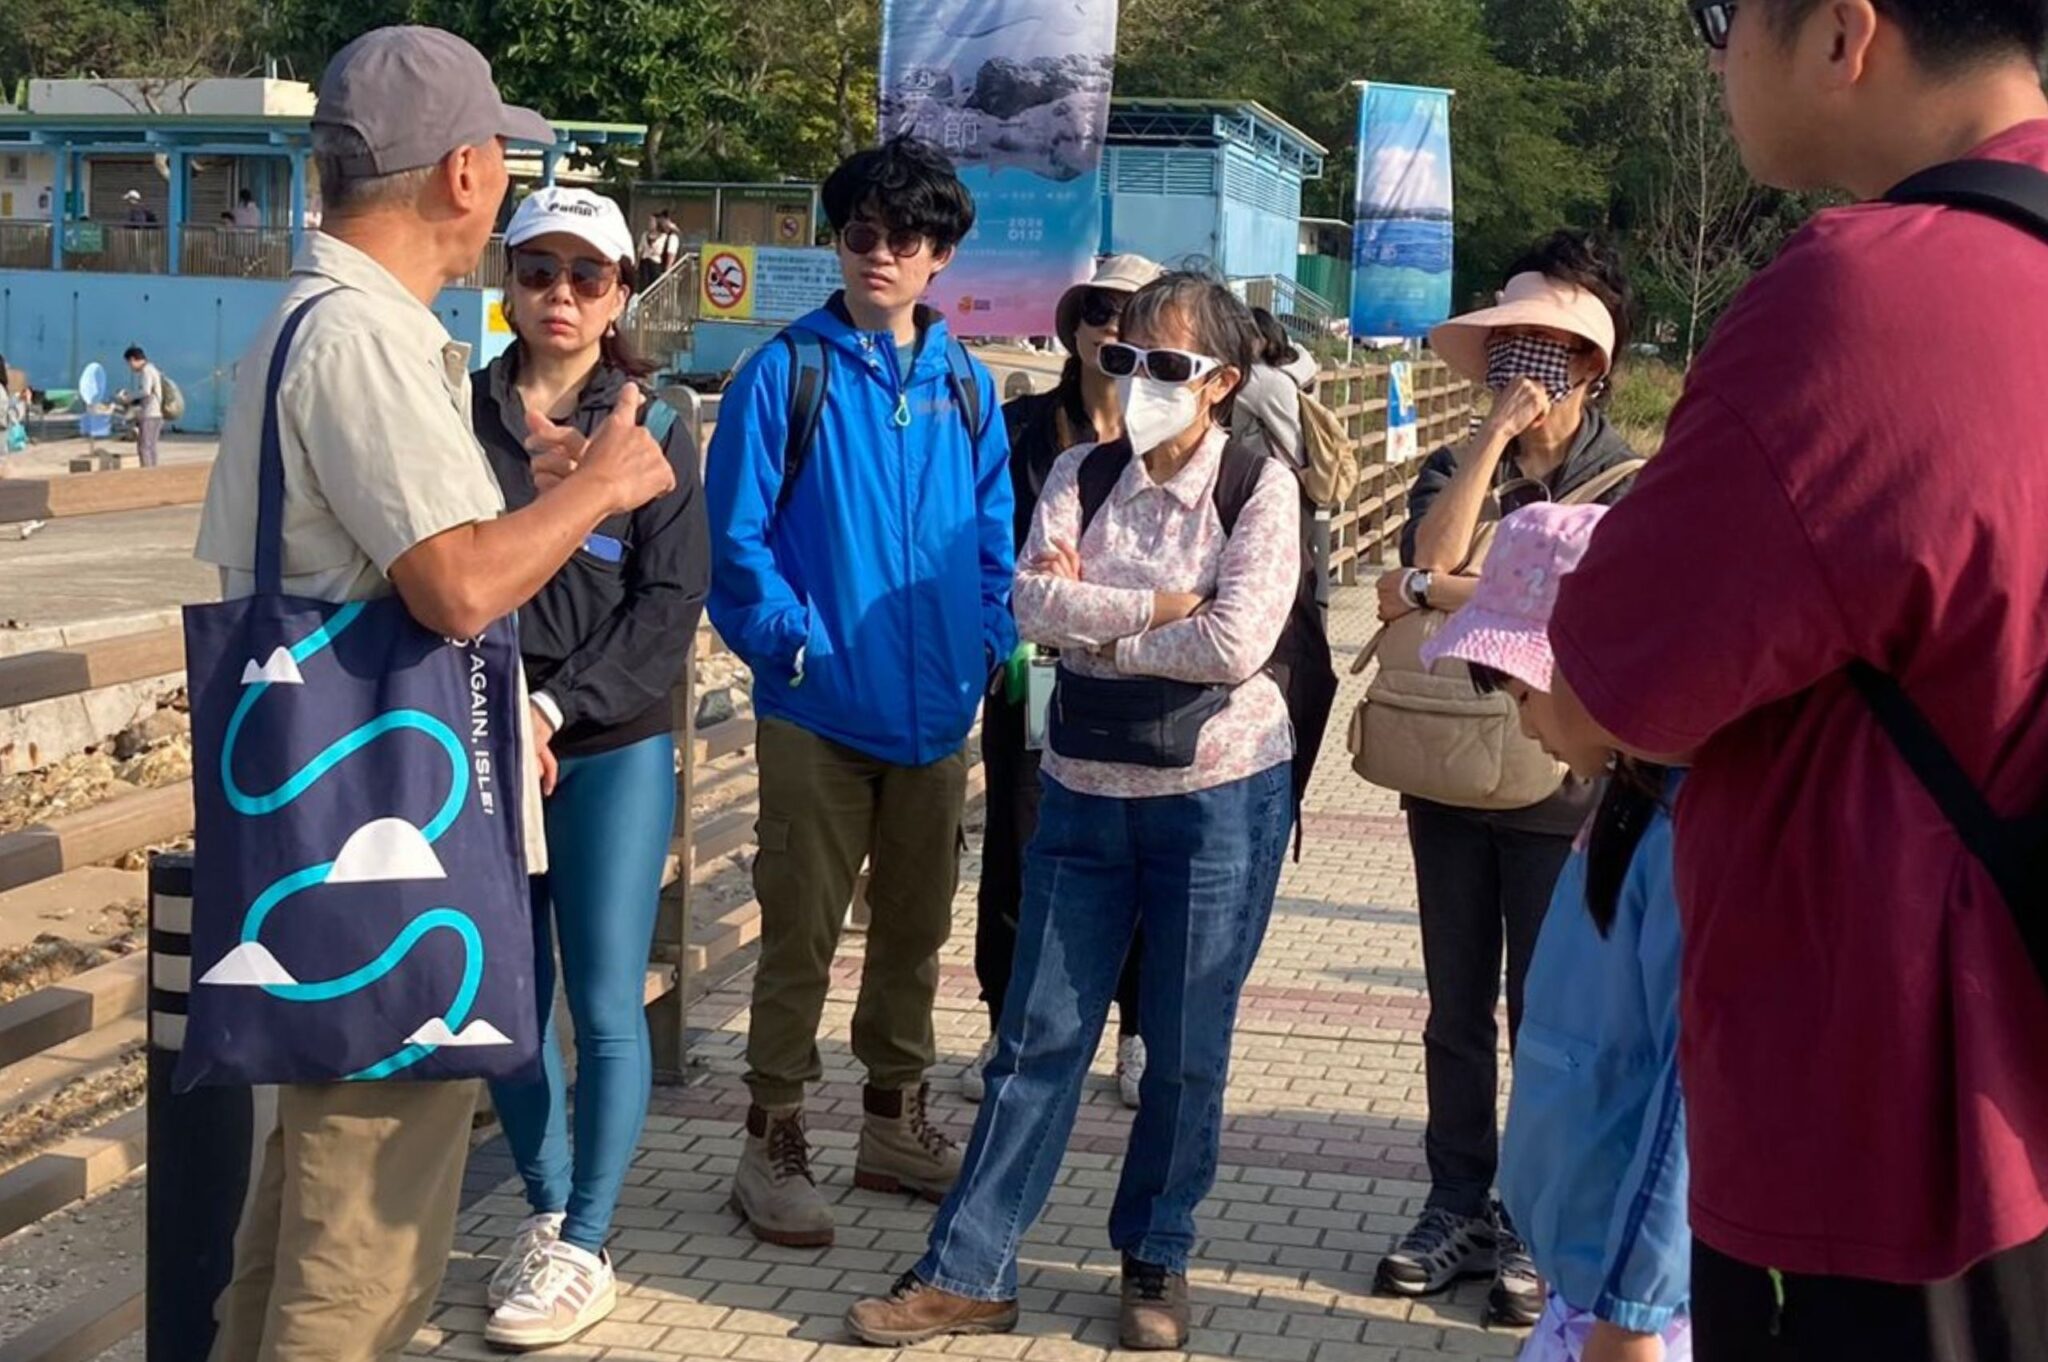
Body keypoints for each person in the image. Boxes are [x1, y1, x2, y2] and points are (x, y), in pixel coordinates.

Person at [1548, 4, 2048, 1358]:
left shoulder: (1868, 293)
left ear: (1843, 30)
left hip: (1891, 1145)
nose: (1715, 52)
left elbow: (1607, 691)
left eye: (1722, 14)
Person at [192, 27, 675, 1362]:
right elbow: (459, 585)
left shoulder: (311, 320)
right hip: (383, 870)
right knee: (365, 1253)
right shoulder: (362, 337)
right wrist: (600, 485)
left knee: (303, 1220)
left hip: (335, 828)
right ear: (466, 174)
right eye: (506, 165)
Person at [844, 273, 1302, 1353]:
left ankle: (1157, 1258)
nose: (1140, 381)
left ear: (1223, 383)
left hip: (1217, 800)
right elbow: (1029, 600)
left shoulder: (1258, 485)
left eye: (1171, 367)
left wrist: (1100, 639)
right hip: (1084, 792)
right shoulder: (1073, 471)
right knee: (1033, 1041)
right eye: (1127, 358)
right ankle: (969, 1268)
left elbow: (1238, 644)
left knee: (1186, 1050)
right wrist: (1157, 612)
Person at [704, 135, 1014, 1250]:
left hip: (937, 720)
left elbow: (993, 544)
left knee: (916, 933)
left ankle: (891, 1122)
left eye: (902, 237)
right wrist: (795, 645)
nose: (877, 253)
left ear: (939, 255)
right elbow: (734, 546)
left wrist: (986, 642)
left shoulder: (967, 385)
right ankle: (769, 1138)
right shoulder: (784, 373)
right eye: (856, 233)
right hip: (818, 714)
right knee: (799, 934)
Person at [1370, 230, 1641, 1327]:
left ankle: (1533, 1220)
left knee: (1546, 1015)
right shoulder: (1456, 462)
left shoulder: (1628, 478)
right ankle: (1453, 1204)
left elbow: (1556, 610)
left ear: (1591, 366)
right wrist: (1486, 443)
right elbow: (1419, 561)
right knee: (1452, 1008)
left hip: (1558, 782)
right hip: (1442, 769)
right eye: (1505, 345)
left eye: (1547, 348)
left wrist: (1440, 588)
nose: (1522, 366)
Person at [469, 186, 709, 1351]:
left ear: (621, 293)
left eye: (587, 277)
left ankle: (589, 1243)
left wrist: (556, 708)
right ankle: (549, 1211)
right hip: (478, 736)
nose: (559, 296)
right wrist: (500, 710)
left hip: (605, 741)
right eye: (537, 271)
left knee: (606, 1002)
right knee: (509, 1004)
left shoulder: (656, 425)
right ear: (507, 282)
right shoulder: (454, 413)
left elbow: (669, 605)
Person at [1419, 502, 1692, 1362]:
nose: (1520, 715)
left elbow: (1692, 1100)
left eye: (1519, 683)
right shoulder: (1620, 807)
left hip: (1634, 1311)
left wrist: (1637, 1311)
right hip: (1583, 1287)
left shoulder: (1681, 837)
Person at [968, 252, 1163, 1113]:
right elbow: (986, 543)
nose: (1111, 328)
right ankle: (1007, 1027)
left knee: (1141, 851)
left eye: (1130, 313)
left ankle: (1137, 1028)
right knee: (1022, 842)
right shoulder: (1019, 428)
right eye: (1099, 311)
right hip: (1033, 669)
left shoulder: (1175, 438)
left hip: (1140, 674)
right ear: (1075, 323)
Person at [121, 346, 165, 467]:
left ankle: (147, 474)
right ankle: (153, 472)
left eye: (129, 364)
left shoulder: (147, 371)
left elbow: (146, 391)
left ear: (133, 359)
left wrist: (129, 397)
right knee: (151, 446)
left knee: (144, 447)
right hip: (156, 414)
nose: (130, 367)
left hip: (150, 413)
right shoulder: (153, 369)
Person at [636, 211, 679, 291]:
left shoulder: (666, 237)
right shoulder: (645, 235)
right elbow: (640, 251)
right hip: (644, 265)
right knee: (643, 288)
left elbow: (670, 254)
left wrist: (667, 270)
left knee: (654, 289)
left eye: (652, 221)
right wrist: (637, 266)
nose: (650, 223)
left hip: (656, 266)